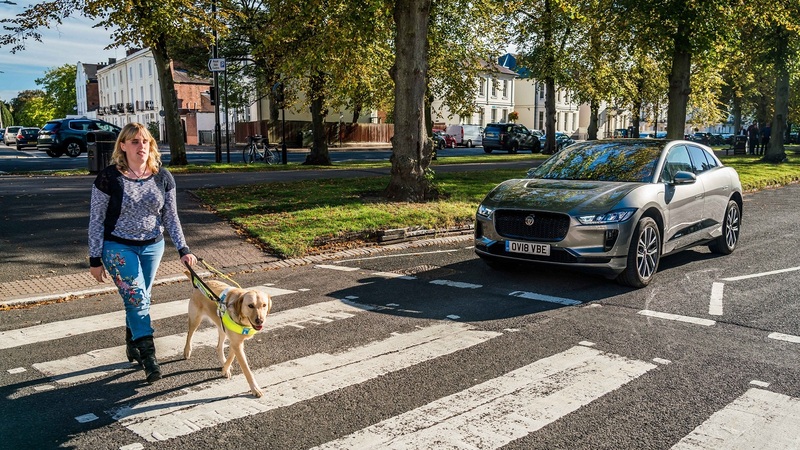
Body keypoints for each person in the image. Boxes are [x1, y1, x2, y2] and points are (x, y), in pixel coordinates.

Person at [88, 122, 197, 383]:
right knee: (137, 298)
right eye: (135, 142)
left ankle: (133, 343)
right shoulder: (108, 178)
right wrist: (94, 258)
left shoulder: (163, 176)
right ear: (123, 146)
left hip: (152, 246)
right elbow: (96, 219)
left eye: (145, 141)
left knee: (140, 298)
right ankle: (149, 358)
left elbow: (171, 217)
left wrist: (184, 249)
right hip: (117, 246)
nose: (141, 146)